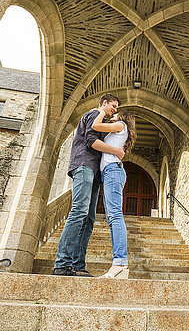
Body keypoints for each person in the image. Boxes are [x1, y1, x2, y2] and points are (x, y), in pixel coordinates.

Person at [52, 93, 124, 277]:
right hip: (84, 165)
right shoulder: (94, 114)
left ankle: (77, 265)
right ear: (104, 103)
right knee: (79, 211)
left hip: (94, 172)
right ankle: (63, 263)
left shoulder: (102, 119)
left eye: (116, 108)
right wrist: (116, 151)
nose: (114, 110)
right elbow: (91, 141)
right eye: (113, 106)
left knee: (89, 218)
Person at [91, 108, 136, 279]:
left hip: (113, 171)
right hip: (110, 171)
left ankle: (120, 263)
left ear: (122, 117)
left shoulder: (120, 125)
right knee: (113, 216)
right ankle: (120, 262)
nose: (113, 115)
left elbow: (96, 125)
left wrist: (101, 111)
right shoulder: (120, 128)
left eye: (116, 113)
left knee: (115, 215)